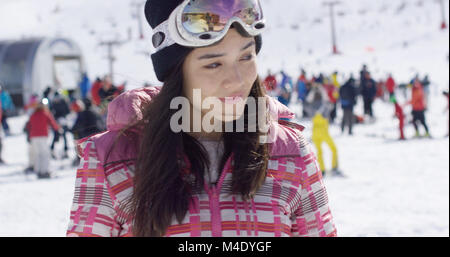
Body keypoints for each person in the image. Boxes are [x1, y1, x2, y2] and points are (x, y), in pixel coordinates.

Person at [66, 0, 336, 237]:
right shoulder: (111, 159)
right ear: (177, 71)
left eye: (246, 56)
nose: (237, 80)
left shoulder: (291, 152)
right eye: (213, 64)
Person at [306, 84, 341, 177]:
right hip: (324, 132)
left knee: (319, 152)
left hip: (315, 133)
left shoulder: (311, 105)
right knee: (333, 149)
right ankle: (334, 167)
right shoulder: (325, 104)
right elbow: (331, 107)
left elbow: (306, 106)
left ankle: (322, 170)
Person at [26, 99, 61, 179]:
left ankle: (38, 171)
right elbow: (53, 123)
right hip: (42, 136)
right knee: (45, 154)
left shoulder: (33, 114)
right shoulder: (45, 113)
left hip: (34, 136)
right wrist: (58, 128)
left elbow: (28, 125)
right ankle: (44, 171)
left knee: (37, 154)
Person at [50, 91, 71, 159]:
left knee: (64, 136)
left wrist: (63, 117)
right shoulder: (53, 103)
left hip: (63, 120)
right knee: (56, 136)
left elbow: (68, 111)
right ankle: (52, 150)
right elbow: (51, 112)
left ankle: (65, 150)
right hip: (57, 121)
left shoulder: (64, 102)